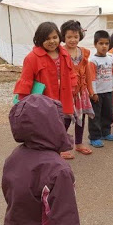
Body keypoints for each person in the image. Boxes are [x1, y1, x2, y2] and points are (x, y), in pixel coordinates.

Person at [2, 95, 80, 225]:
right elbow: (66, 218)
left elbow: (10, 196)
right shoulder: (58, 170)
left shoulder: (14, 157)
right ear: (55, 124)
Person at [13, 21, 77, 159]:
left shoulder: (63, 53)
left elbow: (71, 71)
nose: (52, 41)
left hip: (63, 95)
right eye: (47, 39)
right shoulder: (32, 58)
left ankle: (59, 148)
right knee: (45, 125)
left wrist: (73, 86)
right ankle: (48, 153)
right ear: (39, 39)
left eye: (54, 37)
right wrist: (23, 101)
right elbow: (26, 80)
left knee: (62, 121)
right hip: (45, 98)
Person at [61, 21, 95, 156]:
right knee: (65, 120)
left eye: (75, 36)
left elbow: (87, 72)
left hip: (81, 92)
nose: (73, 40)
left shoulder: (83, 52)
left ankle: (79, 143)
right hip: (67, 93)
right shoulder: (60, 52)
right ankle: (61, 147)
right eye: (69, 37)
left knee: (82, 117)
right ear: (63, 36)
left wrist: (90, 90)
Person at [88, 30, 113, 147]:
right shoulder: (92, 61)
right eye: (101, 43)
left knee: (108, 113)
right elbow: (91, 79)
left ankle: (106, 132)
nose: (104, 46)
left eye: (106, 43)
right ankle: (94, 137)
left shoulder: (110, 58)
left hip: (108, 91)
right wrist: (93, 93)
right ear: (95, 44)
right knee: (95, 115)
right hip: (97, 93)